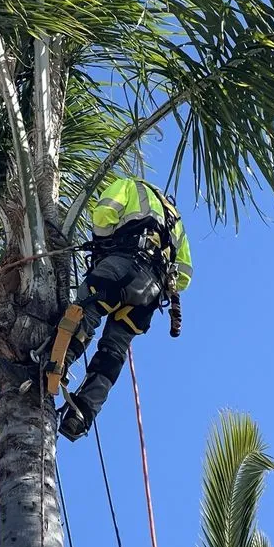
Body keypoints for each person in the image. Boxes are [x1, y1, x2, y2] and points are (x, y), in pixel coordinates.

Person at [47, 177, 192, 442]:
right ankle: (82, 413)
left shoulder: (129, 185)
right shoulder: (177, 223)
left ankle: (56, 365)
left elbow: (104, 213)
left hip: (124, 264)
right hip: (149, 294)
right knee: (114, 350)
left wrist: (103, 247)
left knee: (86, 310)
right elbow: (184, 276)